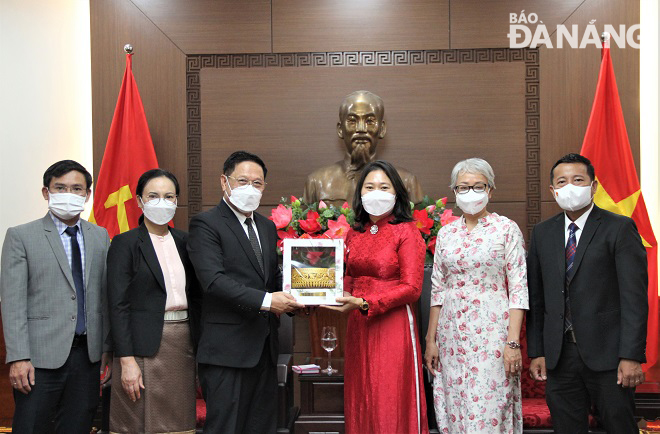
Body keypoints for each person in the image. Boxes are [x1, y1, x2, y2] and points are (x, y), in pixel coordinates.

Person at [526, 153, 647, 433]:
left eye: (578, 180)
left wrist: (631, 356)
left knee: (619, 427)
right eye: (562, 181)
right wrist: (538, 351)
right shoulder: (543, 233)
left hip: (610, 356)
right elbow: (538, 298)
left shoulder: (619, 228)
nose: (570, 186)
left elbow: (635, 299)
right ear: (552, 190)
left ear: (593, 186)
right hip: (559, 355)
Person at [187, 151, 304, 433]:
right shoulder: (206, 224)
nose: (250, 188)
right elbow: (214, 282)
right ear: (224, 182)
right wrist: (267, 301)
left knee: (261, 426)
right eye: (242, 181)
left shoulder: (265, 226)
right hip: (226, 352)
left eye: (258, 183)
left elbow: (270, 277)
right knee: (226, 427)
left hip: (264, 348)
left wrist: (302, 295)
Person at [0, 160, 112, 433]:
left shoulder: (100, 236)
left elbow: (104, 297)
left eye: (77, 189)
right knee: (31, 427)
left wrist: (107, 348)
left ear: (87, 195)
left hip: (87, 357)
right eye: (60, 188)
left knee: (78, 426)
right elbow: (13, 303)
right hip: (38, 360)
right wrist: (18, 358)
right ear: (46, 192)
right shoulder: (21, 236)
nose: (68, 194)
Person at [322, 160, 429, 434]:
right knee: (362, 397)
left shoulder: (407, 231)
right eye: (369, 186)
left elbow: (412, 288)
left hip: (393, 324)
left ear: (397, 193)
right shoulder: (353, 233)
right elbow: (347, 275)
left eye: (384, 186)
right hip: (359, 325)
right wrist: (338, 294)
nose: (376, 192)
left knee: (388, 399)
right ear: (360, 193)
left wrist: (366, 302)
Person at [424, 158, 528, 433]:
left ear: (490, 190)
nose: (470, 193)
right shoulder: (446, 233)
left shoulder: (506, 229)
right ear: (454, 193)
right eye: (463, 187)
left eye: (477, 186)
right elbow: (438, 289)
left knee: (490, 409)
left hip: (493, 335)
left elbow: (518, 289)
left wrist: (513, 343)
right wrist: (430, 340)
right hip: (451, 337)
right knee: (455, 408)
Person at [106, 169, 202, 433]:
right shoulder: (125, 243)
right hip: (139, 347)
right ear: (139, 201)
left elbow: (197, 296)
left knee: (178, 421)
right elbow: (118, 304)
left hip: (183, 342)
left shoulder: (186, 241)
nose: (162, 202)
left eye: (169, 196)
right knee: (136, 421)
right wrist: (126, 360)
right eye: (153, 196)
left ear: (176, 201)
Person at [303, 90, 424, 207]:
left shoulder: (406, 182)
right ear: (340, 129)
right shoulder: (317, 182)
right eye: (352, 121)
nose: (361, 129)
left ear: (382, 129)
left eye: (370, 121)